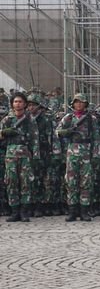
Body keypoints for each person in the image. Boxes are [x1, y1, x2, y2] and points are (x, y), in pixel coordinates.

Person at [56, 93, 100, 221]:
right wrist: (66, 132)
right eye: (77, 102)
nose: (79, 104)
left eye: (81, 102)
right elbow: (57, 131)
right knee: (71, 182)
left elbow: (97, 138)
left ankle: (84, 210)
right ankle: (72, 210)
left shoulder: (90, 119)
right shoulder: (68, 118)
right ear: (73, 104)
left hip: (86, 151)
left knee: (85, 182)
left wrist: (96, 155)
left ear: (85, 104)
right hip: (72, 151)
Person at [0, 92, 40, 222]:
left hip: (25, 154)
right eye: (15, 102)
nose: (18, 104)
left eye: (20, 101)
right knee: (11, 182)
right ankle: (14, 211)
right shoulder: (7, 120)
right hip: (10, 154)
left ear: (25, 104)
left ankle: (24, 211)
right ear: (12, 104)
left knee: (25, 183)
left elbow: (35, 139)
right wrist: (4, 133)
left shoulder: (30, 120)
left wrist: (35, 157)